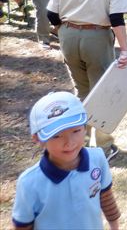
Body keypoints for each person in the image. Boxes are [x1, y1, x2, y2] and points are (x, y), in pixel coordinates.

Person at [47, 0, 127, 160]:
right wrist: (124, 49)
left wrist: (65, 31)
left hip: (68, 35)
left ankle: (81, 144)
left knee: (81, 91)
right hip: (96, 36)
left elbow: (51, 14)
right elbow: (116, 18)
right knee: (101, 93)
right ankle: (102, 147)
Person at [12, 91, 121, 230]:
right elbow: (23, 225)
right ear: (38, 139)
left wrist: (114, 226)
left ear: (85, 128)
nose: (69, 142)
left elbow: (106, 197)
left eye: (76, 131)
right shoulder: (29, 183)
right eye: (57, 136)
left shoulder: (97, 158)